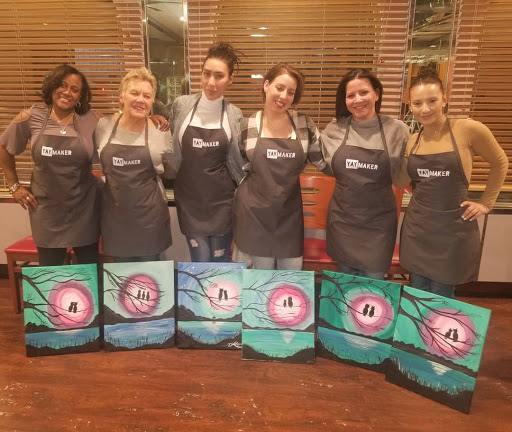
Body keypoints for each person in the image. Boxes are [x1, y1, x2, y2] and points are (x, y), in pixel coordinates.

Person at [398, 66, 508, 297]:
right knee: (417, 293)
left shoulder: (467, 129)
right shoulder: (413, 141)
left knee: (441, 295)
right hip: (418, 229)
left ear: (444, 99)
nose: (425, 109)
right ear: (410, 106)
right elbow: (401, 181)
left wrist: (486, 203)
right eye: (417, 103)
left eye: (432, 101)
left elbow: (500, 162)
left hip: (451, 230)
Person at [0, 64, 101, 266]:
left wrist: (151, 119)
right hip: (46, 210)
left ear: (80, 96)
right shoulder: (31, 116)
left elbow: (122, 128)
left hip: (84, 209)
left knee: (88, 271)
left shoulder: (91, 120)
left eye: (75, 89)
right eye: (62, 85)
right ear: (52, 86)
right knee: (50, 273)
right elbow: (4, 147)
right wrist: (14, 187)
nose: (67, 92)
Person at [233, 63, 326, 270]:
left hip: (289, 217)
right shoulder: (247, 125)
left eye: (290, 92)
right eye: (279, 88)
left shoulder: (304, 125)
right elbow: (236, 166)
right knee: (261, 280)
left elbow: (323, 162)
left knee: (291, 278)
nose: (284, 96)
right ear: (266, 85)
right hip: (255, 216)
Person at [321, 69, 411, 280]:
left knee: (373, 284)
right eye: (350, 95)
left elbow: (406, 174)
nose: (357, 100)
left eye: (364, 92)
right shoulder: (335, 128)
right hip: (343, 221)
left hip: (379, 224)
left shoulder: (397, 130)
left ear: (376, 94)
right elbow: (323, 163)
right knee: (345, 284)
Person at [169, 42, 245, 262]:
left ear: (230, 79)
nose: (211, 82)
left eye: (219, 76)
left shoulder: (235, 114)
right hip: (189, 199)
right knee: (200, 261)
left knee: (220, 263)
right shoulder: (181, 106)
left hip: (222, 202)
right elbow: (170, 139)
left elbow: (239, 159)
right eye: (206, 74)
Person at [95, 67, 172, 262]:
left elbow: (172, 166)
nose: (140, 100)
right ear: (121, 96)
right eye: (134, 93)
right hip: (116, 218)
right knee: (122, 277)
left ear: (153, 101)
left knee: (152, 276)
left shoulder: (160, 130)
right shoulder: (103, 126)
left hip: (150, 219)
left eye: (147, 96)